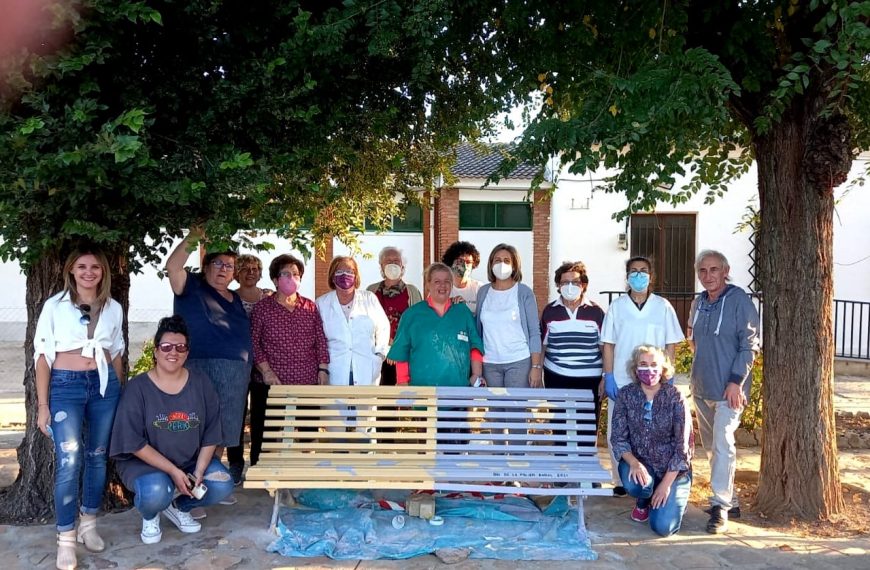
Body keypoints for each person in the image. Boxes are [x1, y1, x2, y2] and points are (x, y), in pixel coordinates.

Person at [34, 247, 125, 570]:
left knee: (97, 455)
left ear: (103, 272)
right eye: (82, 267)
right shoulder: (54, 307)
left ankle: (89, 523)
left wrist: (117, 392)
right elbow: (42, 357)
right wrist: (43, 405)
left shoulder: (113, 308)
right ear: (71, 271)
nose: (89, 272)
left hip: (103, 388)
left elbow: (116, 354)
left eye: (96, 267)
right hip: (66, 386)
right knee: (69, 459)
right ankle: (66, 539)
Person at [110, 316, 234, 545]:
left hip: (189, 461)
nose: (173, 352)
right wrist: (173, 472)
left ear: (187, 352)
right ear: (156, 351)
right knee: (156, 490)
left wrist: (198, 471)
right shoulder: (137, 388)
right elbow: (133, 442)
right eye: (166, 347)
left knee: (222, 483)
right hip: (144, 465)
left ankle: (179, 506)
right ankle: (151, 514)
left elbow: (211, 432)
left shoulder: (201, 383)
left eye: (180, 347)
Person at [165, 228, 252, 512]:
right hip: (200, 367)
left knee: (223, 433)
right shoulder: (190, 286)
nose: (223, 270)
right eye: (218, 264)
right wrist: (195, 235)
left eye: (229, 266)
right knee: (196, 432)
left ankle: (209, 486)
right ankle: (186, 491)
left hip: (235, 373)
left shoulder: (235, 298)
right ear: (206, 266)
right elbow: (173, 266)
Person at [687, 250, 760, 534]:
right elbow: (694, 341)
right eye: (703, 271)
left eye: (714, 270)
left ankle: (720, 507)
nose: (708, 276)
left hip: (730, 389)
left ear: (725, 270)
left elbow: (749, 345)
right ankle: (733, 500)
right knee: (712, 448)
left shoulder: (740, 301)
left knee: (723, 443)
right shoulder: (699, 303)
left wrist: (735, 381)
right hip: (702, 387)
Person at [600, 256, 684, 495]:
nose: (639, 275)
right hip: (623, 379)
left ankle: (652, 478)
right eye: (634, 271)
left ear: (651, 275)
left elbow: (670, 343)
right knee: (618, 430)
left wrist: (669, 374)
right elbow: (608, 343)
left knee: (653, 428)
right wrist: (609, 375)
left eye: (643, 270)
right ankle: (620, 480)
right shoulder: (617, 307)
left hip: (654, 379)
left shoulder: (662, 306)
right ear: (627, 277)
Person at [250, 254, 329, 463]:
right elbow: (253, 343)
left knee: (308, 433)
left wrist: (323, 369)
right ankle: (263, 473)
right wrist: (266, 371)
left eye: (296, 274)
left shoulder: (310, 307)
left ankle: (304, 473)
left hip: (306, 381)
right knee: (266, 434)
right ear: (275, 280)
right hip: (271, 383)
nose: (291, 278)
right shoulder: (262, 308)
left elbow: (320, 339)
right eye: (286, 274)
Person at [610, 345, 693, 537]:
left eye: (654, 364)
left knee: (663, 528)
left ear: (663, 368)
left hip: (672, 470)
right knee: (637, 485)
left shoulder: (675, 397)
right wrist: (634, 463)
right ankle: (643, 500)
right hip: (640, 464)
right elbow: (618, 438)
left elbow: (683, 447)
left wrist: (665, 485)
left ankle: (674, 496)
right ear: (635, 368)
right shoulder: (626, 395)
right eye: (643, 365)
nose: (649, 370)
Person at [388, 262, 484, 387]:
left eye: (447, 281)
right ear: (428, 285)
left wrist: (476, 375)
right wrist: (402, 381)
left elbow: (475, 346)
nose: (442, 286)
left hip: (458, 392)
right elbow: (402, 351)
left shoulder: (463, 312)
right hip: (422, 394)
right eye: (437, 281)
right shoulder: (412, 315)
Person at [540, 261, 605, 446]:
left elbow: (605, 347)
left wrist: (605, 377)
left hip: (589, 378)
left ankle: (584, 471)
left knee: (587, 428)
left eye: (575, 282)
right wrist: (537, 370)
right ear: (558, 286)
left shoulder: (596, 312)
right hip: (557, 376)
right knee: (560, 427)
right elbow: (543, 345)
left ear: (583, 285)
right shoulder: (549, 311)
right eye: (564, 282)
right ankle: (562, 469)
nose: (570, 286)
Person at [226, 254, 272, 485]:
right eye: (245, 269)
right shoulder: (229, 298)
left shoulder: (268, 297)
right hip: (237, 364)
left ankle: (258, 462)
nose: (251, 272)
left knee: (261, 416)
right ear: (236, 273)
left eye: (255, 268)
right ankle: (235, 464)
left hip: (264, 367)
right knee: (236, 414)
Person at [475, 244, 543, 389]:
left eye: (507, 260)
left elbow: (534, 332)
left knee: (515, 409)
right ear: (491, 264)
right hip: (490, 363)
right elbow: (478, 329)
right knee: (495, 409)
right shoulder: (483, 292)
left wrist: (536, 366)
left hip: (519, 361)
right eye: (497, 260)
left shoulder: (524, 292)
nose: (501, 264)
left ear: (514, 265)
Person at [316, 256, 390, 386]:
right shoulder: (322, 303)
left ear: (356, 276)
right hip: (335, 369)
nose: (345, 275)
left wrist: (380, 355)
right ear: (333, 276)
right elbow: (317, 337)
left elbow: (383, 327)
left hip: (366, 367)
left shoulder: (369, 298)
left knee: (363, 405)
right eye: (339, 271)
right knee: (336, 404)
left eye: (350, 271)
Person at [366, 246, 423, 386]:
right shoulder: (371, 291)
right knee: (381, 396)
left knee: (403, 396)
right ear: (381, 265)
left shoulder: (412, 291)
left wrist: (396, 347)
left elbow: (418, 323)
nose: (392, 263)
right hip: (378, 353)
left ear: (403, 266)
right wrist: (386, 344)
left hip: (405, 353)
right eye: (388, 260)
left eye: (396, 260)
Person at [442, 240, 484, 314]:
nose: (464, 266)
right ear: (451, 263)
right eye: (460, 261)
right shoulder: (440, 288)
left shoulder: (479, 289)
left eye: (468, 262)